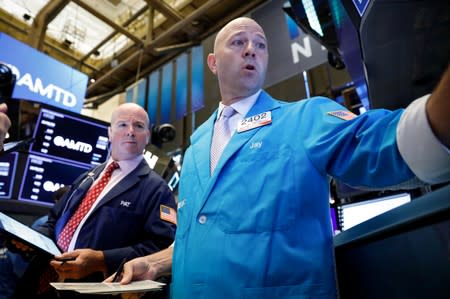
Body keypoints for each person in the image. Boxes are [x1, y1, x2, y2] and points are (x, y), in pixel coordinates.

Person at [109, 17, 450, 299]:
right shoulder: (198, 144)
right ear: (213, 64)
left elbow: (386, 144)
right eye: (238, 42)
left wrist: (438, 115)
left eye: (260, 44)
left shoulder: (305, 118)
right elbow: (199, 236)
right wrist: (155, 264)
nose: (251, 50)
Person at [13, 103, 177, 299]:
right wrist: (31, 239)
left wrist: (102, 260)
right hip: (41, 280)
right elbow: (53, 220)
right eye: (122, 124)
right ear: (109, 132)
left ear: (148, 135)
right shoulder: (87, 176)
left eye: (139, 126)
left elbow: (160, 245)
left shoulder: (157, 189)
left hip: (93, 290)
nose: (130, 132)